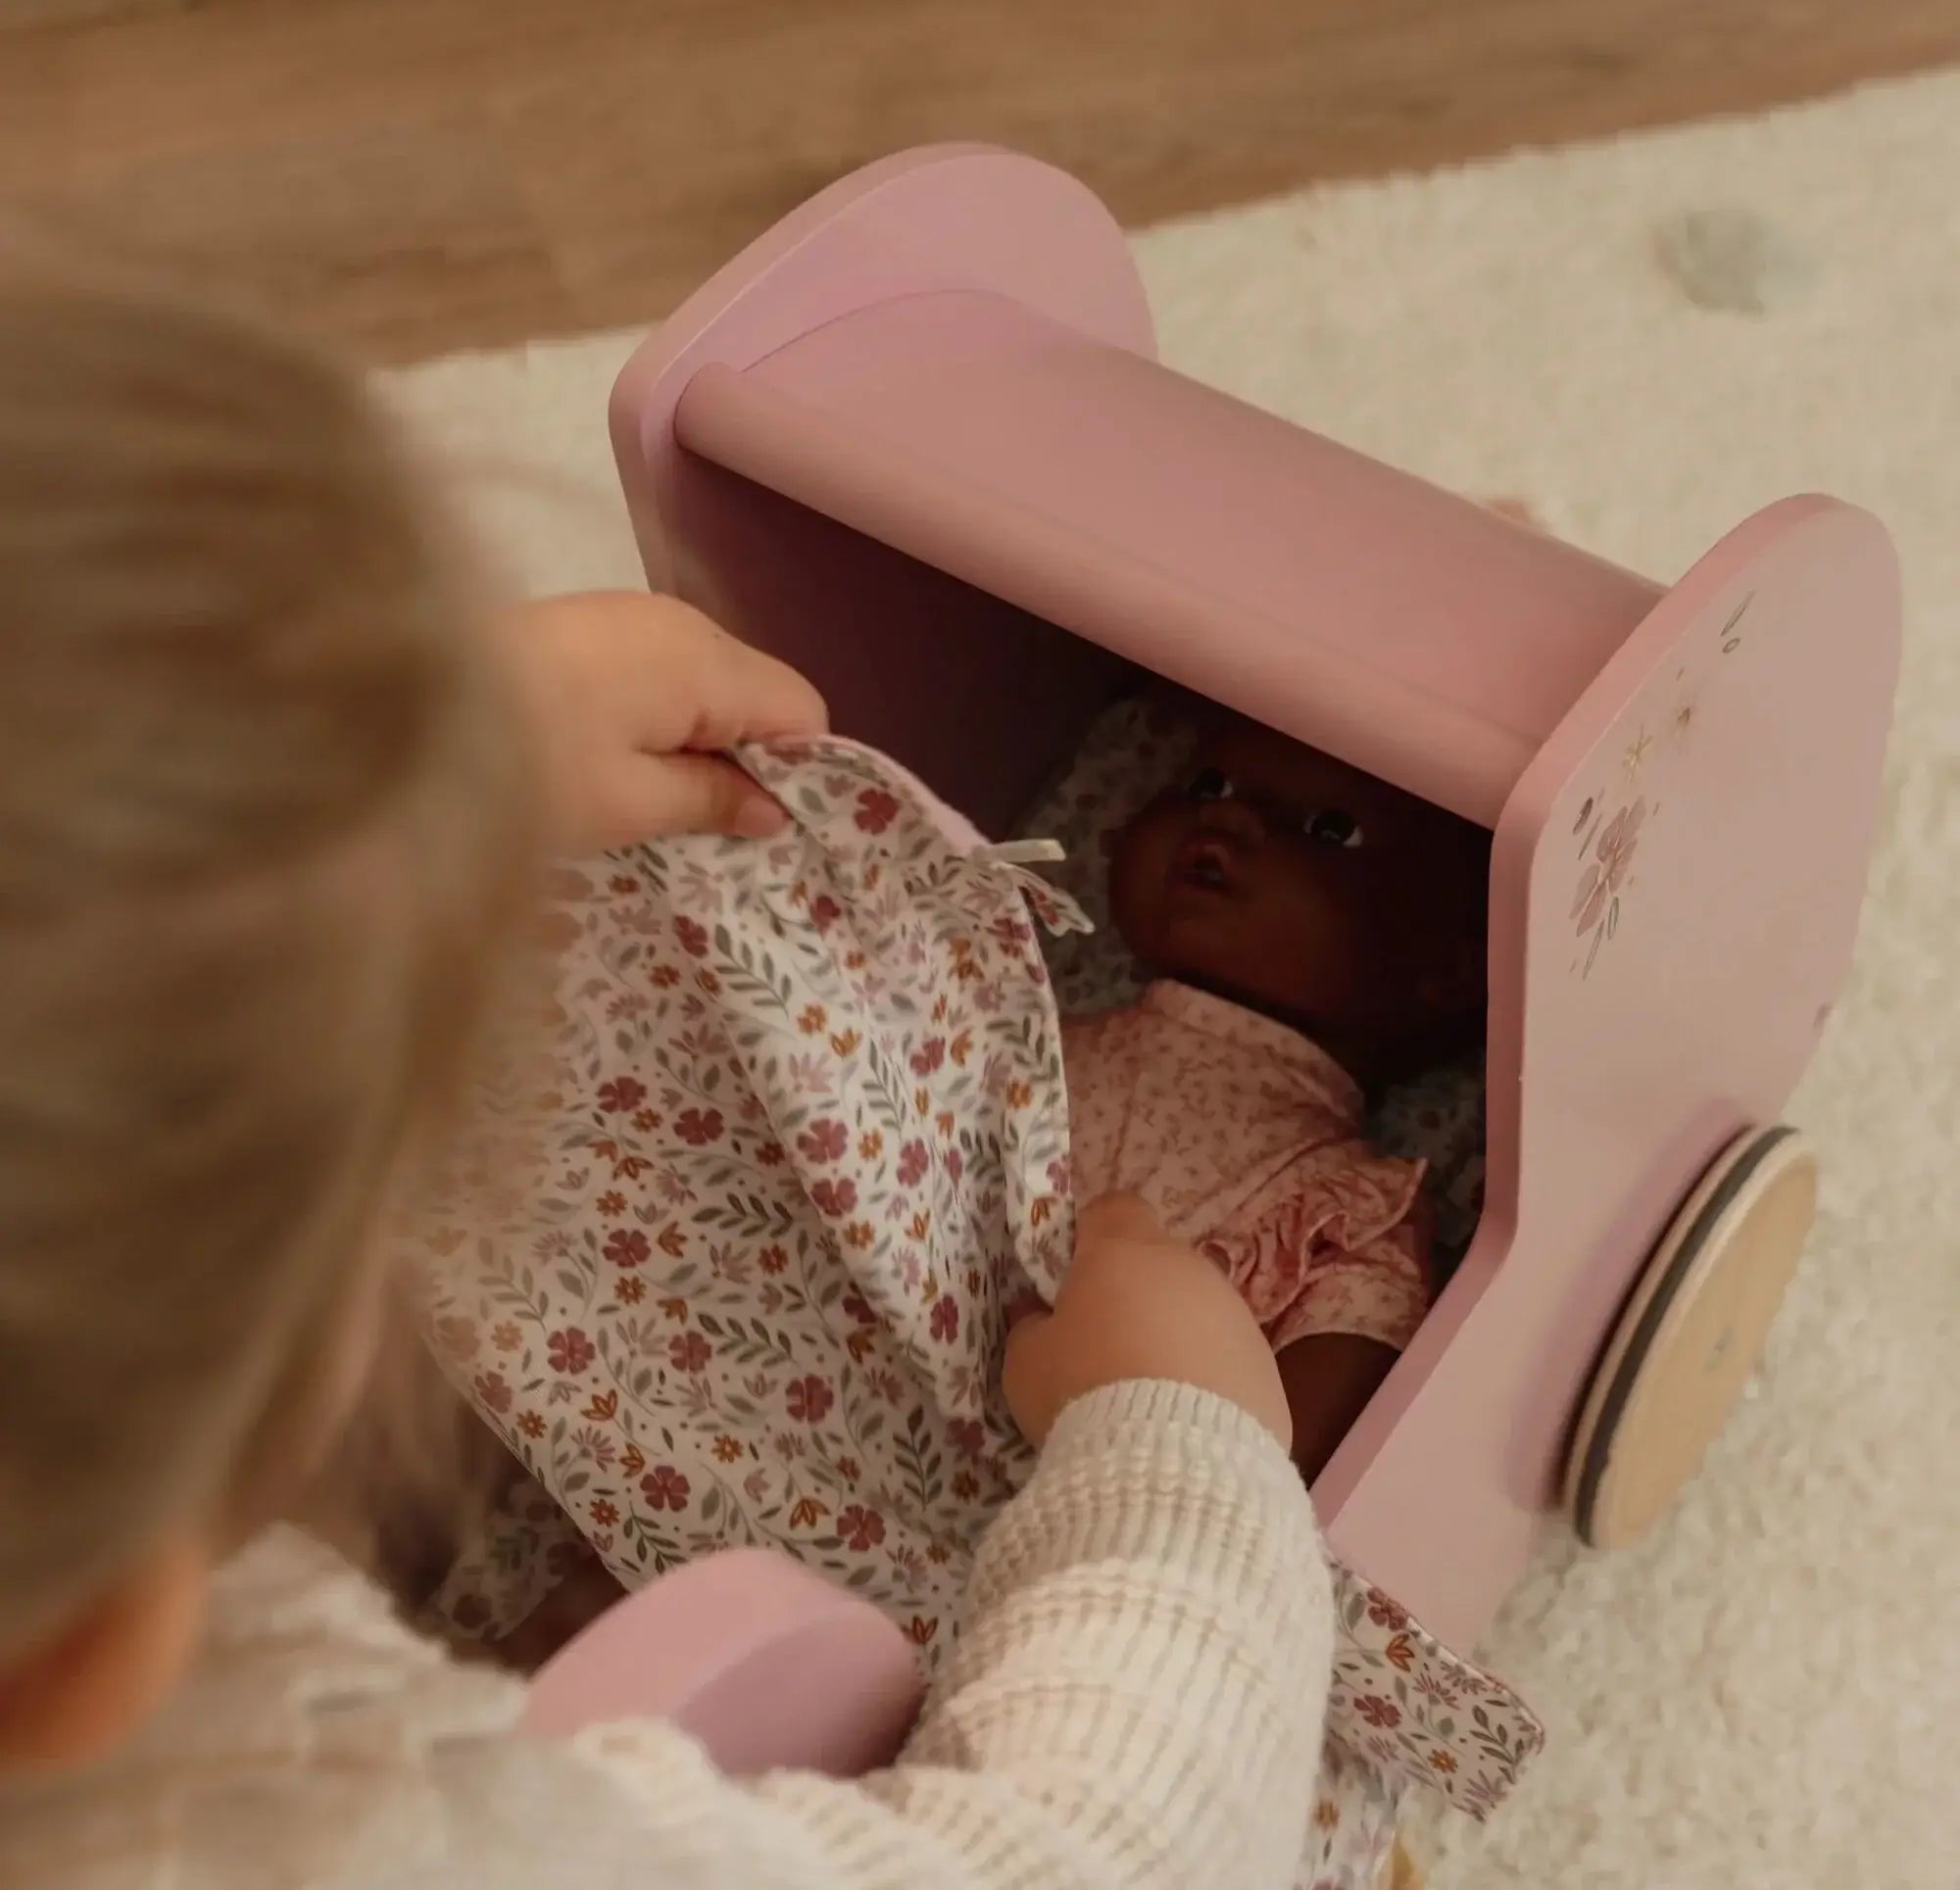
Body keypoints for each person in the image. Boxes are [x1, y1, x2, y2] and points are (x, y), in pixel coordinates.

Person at [0, 251, 1335, 1888]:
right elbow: (1111, 1850)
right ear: (92, 1655)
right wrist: (1184, 1448)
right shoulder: (284, 1832)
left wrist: (387, 767)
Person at [1065, 715, 1492, 1477]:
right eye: (1207, 784)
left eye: (1331, 830)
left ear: (1446, 973)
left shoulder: (1344, 1211)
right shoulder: (1019, 1024)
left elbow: (1268, 1493)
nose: (1226, 814)